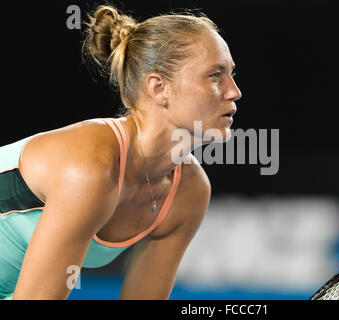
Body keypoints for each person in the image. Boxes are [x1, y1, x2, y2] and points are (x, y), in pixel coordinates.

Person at [0, 4, 242, 299]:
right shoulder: (92, 167)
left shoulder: (188, 193)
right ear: (158, 88)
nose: (234, 91)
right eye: (215, 75)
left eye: (230, 73)